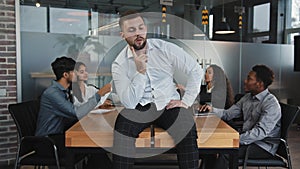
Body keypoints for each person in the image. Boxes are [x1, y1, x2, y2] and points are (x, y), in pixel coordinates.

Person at [111, 11, 203, 169]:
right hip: (138, 106)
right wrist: (140, 72)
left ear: (146, 28)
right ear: (122, 34)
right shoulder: (119, 64)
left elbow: (195, 70)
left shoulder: (164, 48)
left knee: (187, 128)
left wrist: (186, 101)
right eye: (132, 30)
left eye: (141, 28)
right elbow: (129, 102)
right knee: (122, 129)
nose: (138, 33)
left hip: (168, 104)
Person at [35, 56, 112, 169]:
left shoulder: (65, 91)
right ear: (66, 75)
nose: (77, 74)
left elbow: (76, 111)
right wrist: (99, 94)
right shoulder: (52, 94)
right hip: (47, 142)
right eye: (74, 71)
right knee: (91, 146)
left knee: (94, 145)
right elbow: (76, 113)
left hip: (59, 136)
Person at [199, 64, 281, 169]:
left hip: (262, 146)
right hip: (247, 140)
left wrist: (236, 139)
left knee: (225, 153)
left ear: (259, 84)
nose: (245, 81)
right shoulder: (247, 98)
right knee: (212, 147)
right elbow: (228, 114)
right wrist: (211, 109)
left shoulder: (271, 104)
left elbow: (260, 133)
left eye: (249, 79)